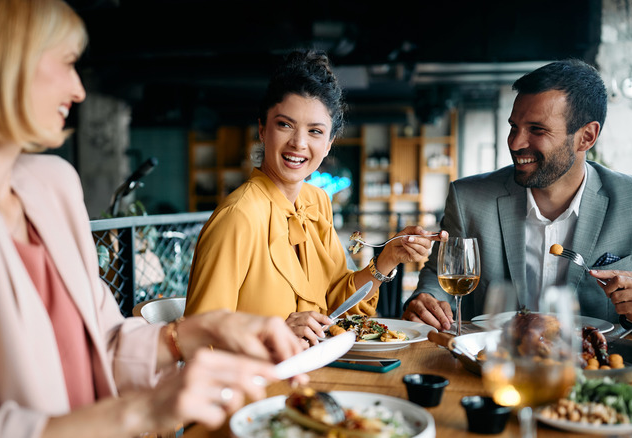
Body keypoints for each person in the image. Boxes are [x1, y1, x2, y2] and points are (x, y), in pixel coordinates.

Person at [0, 1, 307, 437]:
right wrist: (140, 413)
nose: (79, 90)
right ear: (1, 64)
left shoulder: (53, 184)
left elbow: (103, 344)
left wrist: (199, 330)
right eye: (68, 63)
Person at [184, 49, 445, 346]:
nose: (298, 143)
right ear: (262, 129)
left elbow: (338, 305)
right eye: (285, 125)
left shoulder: (316, 201)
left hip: (317, 373)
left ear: (329, 143)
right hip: (257, 386)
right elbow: (195, 338)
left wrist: (387, 259)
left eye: (315, 131)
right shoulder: (238, 218)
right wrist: (273, 333)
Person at [402, 59, 632, 331]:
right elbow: (439, 276)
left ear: (586, 137)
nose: (515, 143)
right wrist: (427, 299)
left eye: (536, 130)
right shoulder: (468, 198)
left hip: (595, 367)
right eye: (514, 127)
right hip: (492, 363)